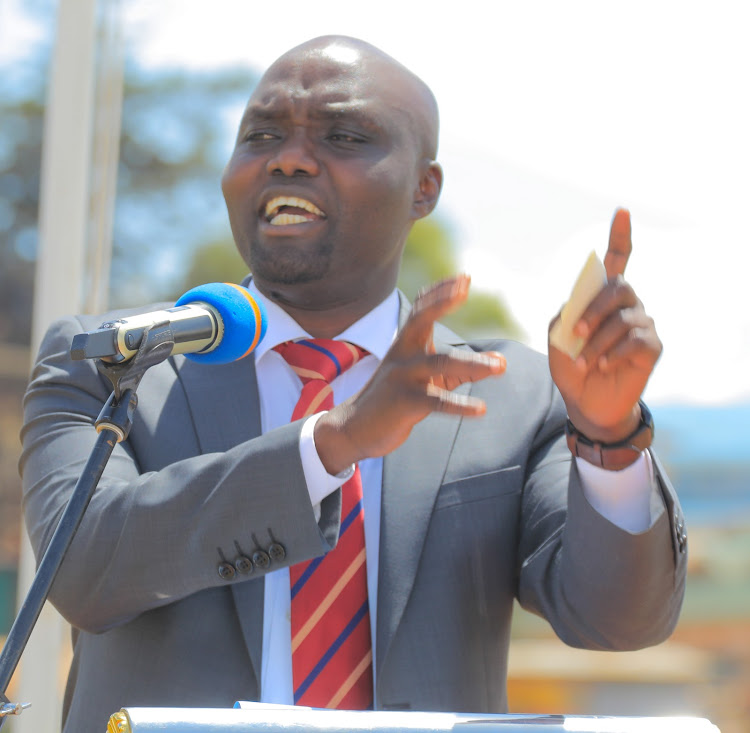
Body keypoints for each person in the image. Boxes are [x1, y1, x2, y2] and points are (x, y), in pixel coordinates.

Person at [20, 35, 687, 733]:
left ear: (424, 188)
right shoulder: (113, 363)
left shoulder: (514, 395)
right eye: (262, 134)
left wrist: (609, 438)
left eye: (343, 135)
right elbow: (83, 570)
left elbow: (620, 618)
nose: (289, 157)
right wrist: (329, 444)